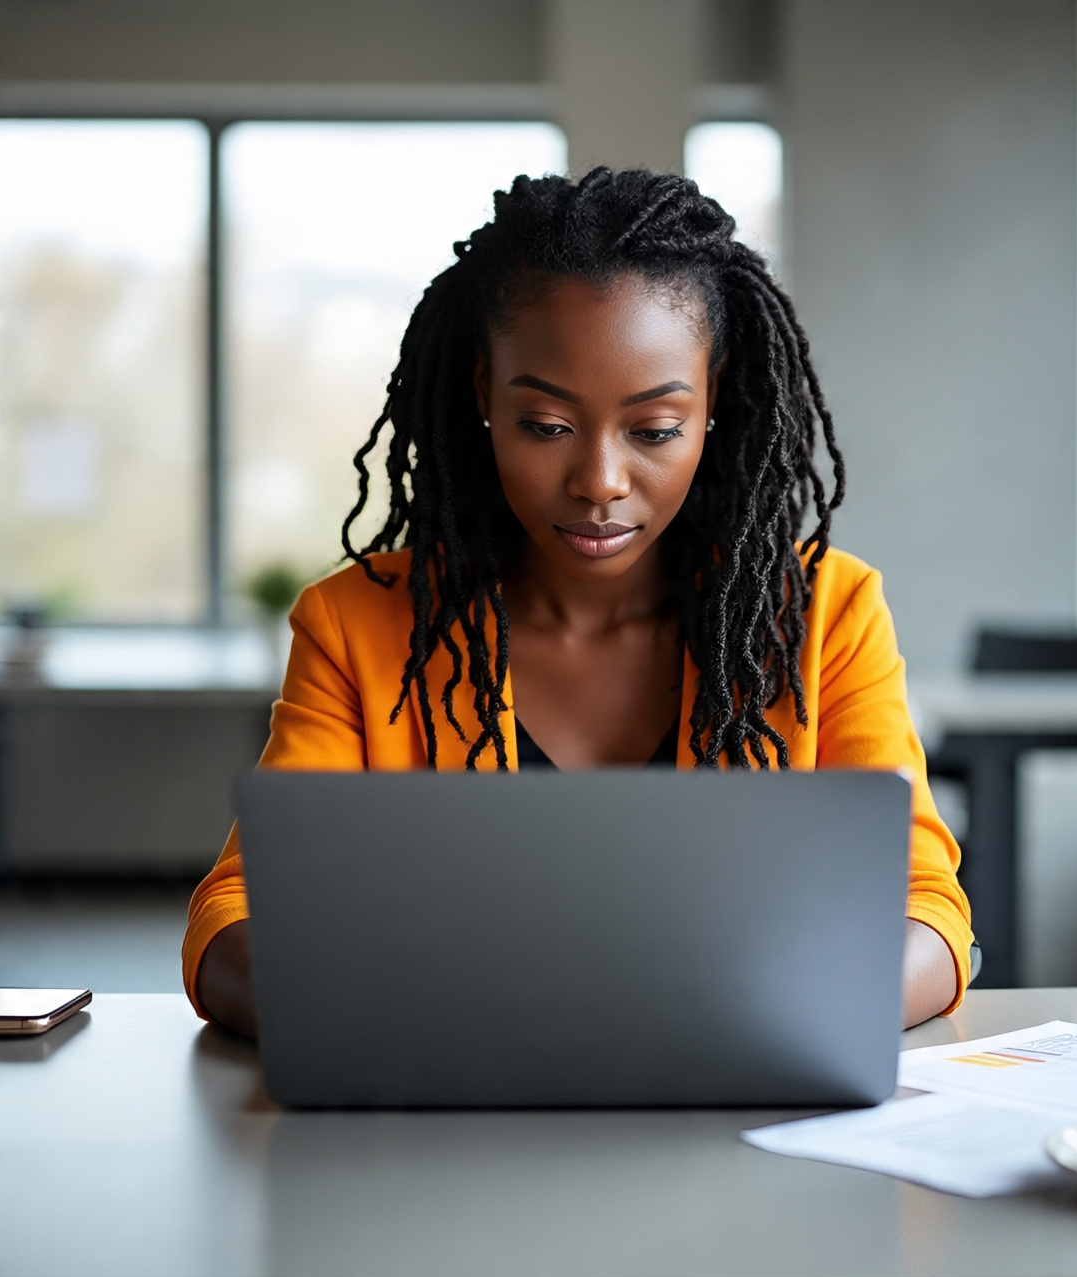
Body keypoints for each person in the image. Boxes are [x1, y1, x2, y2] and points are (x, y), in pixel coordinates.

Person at [183, 167, 973, 1040]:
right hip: (447, 1127)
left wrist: (784, 1013)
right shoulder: (355, 624)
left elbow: (927, 911)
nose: (599, 481)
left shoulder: (827, 613)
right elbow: (237, 918)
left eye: (656, 430)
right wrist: (384, 1014)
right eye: (547, 426)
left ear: (717, 405)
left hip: (742, 1118)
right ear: (483, 393)